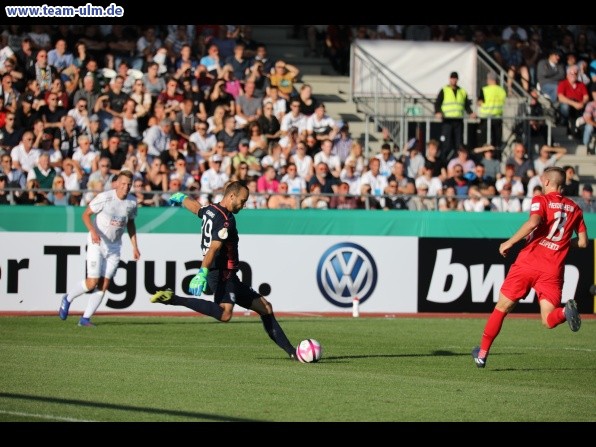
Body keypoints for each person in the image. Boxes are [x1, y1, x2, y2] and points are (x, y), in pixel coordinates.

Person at [150, 181, 297, 360]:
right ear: (231, 196)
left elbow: (196, 208)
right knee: (225, 314)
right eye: (243, 201)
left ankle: (293, 352)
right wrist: (202, 272)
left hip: (228, 275)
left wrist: (182, 198)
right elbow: (213, 249)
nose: (244, 205)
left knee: (266, 308)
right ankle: (173, 299)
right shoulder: (226, 220)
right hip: (220, 273)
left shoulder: (211, 209)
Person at [472, 166, 588, 368]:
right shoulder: (576, 209)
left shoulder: (541, 200)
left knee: (502, 308)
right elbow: (584, 242)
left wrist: (509, 242)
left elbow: (533, 222)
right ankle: (564, 313)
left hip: (529, 263)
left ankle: (482, 354)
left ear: (547, 182)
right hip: (553, 270)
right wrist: (562, 243)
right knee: (548, 320)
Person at [58, 170, 140, 327]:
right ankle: (68, 298)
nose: (126, 187)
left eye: (129, 184)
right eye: (123, 183)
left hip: (114, 247)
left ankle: (85, 319)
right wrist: (93, 231)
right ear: (116, 183)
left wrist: (135, 246)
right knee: (92, 282)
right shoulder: (105, 197)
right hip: (97, 243)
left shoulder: (132, 202)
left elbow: (130, 223)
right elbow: (85, 215)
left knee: (104, 284)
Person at [434, 71, 477, 162]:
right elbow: (438, 103)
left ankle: (459, 161)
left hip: (458, 120)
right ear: (450, 79)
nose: (453, 80)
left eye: (455, 78)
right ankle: (443, 162)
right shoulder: (444, 90)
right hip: (447, 120)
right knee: (446, 143)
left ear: (457, 79)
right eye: (452, 78)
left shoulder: (462, 91)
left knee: (459, 143)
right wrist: (438, 112)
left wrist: (470, 113)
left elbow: (466, 105)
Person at [477, 72, 506, 149]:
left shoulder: (485, 90)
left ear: (490, 79)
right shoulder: (502, 90)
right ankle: (497, 155)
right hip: (497, 117)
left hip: (485, 118)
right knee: (496, 141)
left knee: (484, 141)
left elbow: (479, 103)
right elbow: (503, 101)